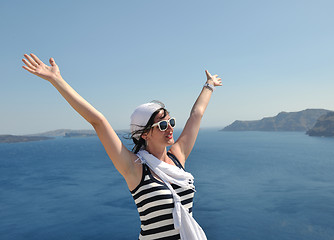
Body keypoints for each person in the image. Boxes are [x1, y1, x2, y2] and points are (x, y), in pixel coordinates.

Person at [22, 53, 222, 239]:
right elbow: (98, 121)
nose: (169, 128)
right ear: (144, 134)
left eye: (171, 122)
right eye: (162, 125)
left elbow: (197, 114)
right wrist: (57, 80)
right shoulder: (135, 168)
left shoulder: (177, 157)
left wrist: (209, 85)